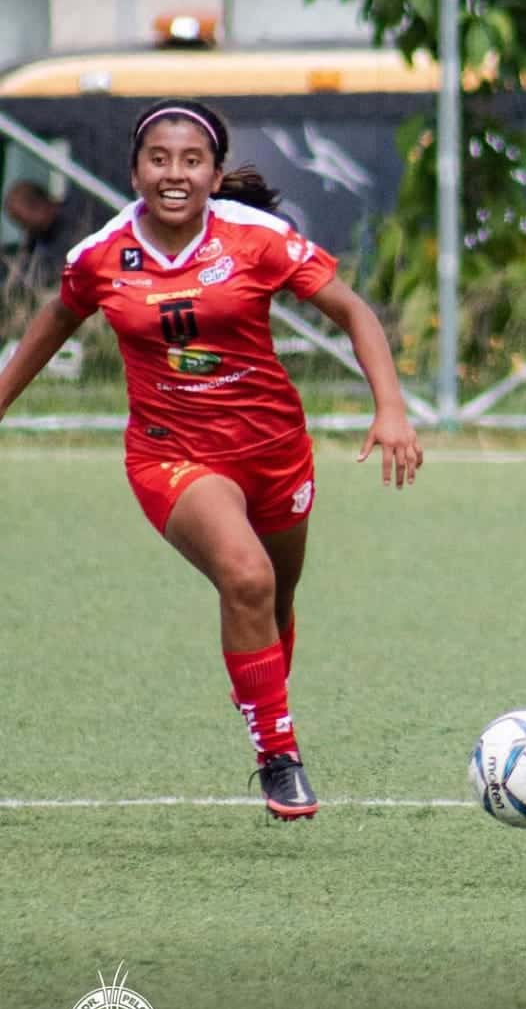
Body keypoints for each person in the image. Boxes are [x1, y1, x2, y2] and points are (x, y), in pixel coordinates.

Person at [0, 98, 423, 821]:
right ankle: (279, 757)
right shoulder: (100, 257)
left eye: (191, 161)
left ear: (214, 173)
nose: (174, 173)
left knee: (274, 600)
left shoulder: (257, 239)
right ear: (134, 169)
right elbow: (48, 329)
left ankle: (258, 688)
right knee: (246, 576)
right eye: (158, 159)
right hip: (174, 457)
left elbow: (354, 312)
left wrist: (390, 408)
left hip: (275, 454)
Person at [2, 180, 74, 294]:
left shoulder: (78, 218)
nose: (25, 230)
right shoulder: (36, 243)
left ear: (39, 206)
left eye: (24, 222)